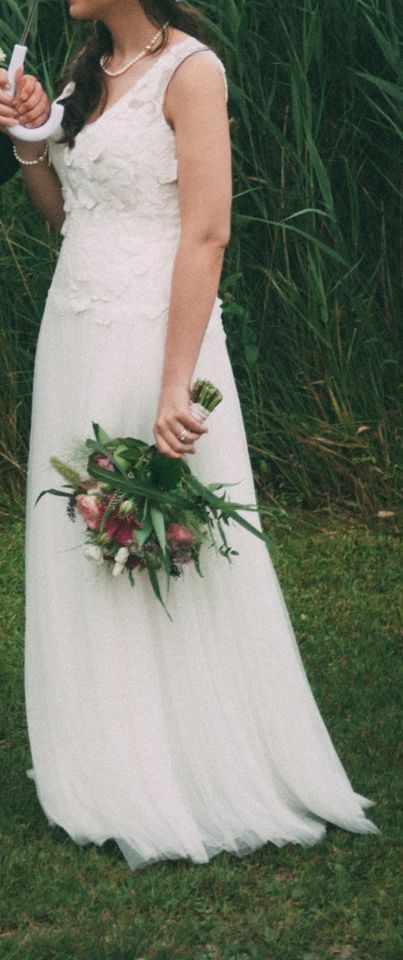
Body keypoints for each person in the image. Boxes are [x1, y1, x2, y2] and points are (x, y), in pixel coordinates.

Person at [1, 0, 379, 871]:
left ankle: (190, 751)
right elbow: (65, 216)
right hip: (76, 328)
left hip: (155, 333)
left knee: (167, 536)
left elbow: (206, 231)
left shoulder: (190, 71)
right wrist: (31, 140)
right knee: (85, 533)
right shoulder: (88, 70)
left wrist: (176, 380)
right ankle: (102, 750)